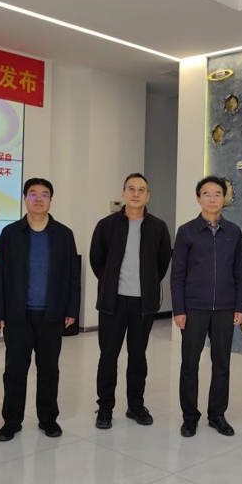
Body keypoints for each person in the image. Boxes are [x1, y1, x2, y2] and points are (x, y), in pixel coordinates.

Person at [0, 178, 80, 442]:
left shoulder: (63, 234)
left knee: (49, 369)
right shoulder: (11, 233)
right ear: (25, 199)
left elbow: (73, 276)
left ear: (51, 200)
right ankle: (11, 421)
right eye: (33, 194)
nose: (39, 199)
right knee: (15, 371)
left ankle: (48, 419)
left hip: (51, 314)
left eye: (44, 194)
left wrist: (71, 309)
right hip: (18, 314)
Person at [90, 173, 172, 429]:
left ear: (148, 196)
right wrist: (110, 282)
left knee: (138, 356)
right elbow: (96, 260)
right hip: (112, 302)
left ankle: (135, 405)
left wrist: (147, 284)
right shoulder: (106, 225)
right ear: (123, 193)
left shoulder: (158, 227)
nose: (136, 194)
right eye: (131, 189)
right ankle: (105, 408)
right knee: (108, 356)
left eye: (141, 190)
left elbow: (162, 262)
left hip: (143, 304)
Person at [171, 176, 242, 438]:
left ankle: (217, 415)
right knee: (190, 363)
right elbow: (177, 274)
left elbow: (239, 272)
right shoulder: (186, 231)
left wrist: (239, 306)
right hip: (194, 307)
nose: (212, 199)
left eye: (217, 194)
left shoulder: (233, 232)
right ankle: (190, 417)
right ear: (198, 198)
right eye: (207, 194)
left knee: (221, 364)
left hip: (225, 307)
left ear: (224, 198)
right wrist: (178, 309)